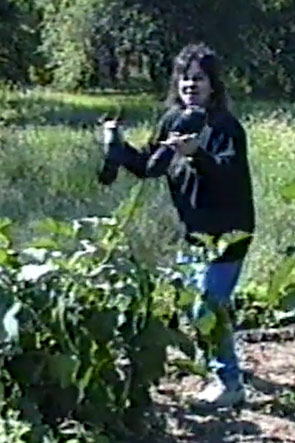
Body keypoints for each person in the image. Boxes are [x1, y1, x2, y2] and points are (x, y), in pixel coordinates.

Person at [100, 43, 255, 409]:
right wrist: (118, 147)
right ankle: (222, 358)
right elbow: (149, 166)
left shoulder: (225, 127)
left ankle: (228, 382)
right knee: (195, 305)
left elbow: (229, 177)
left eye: (198, 79)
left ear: (212, 85)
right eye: (184, 78)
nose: (190, 85)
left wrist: (196, 154)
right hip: (195, 232)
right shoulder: (173, 121)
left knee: (208, 307)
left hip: (229, 231)